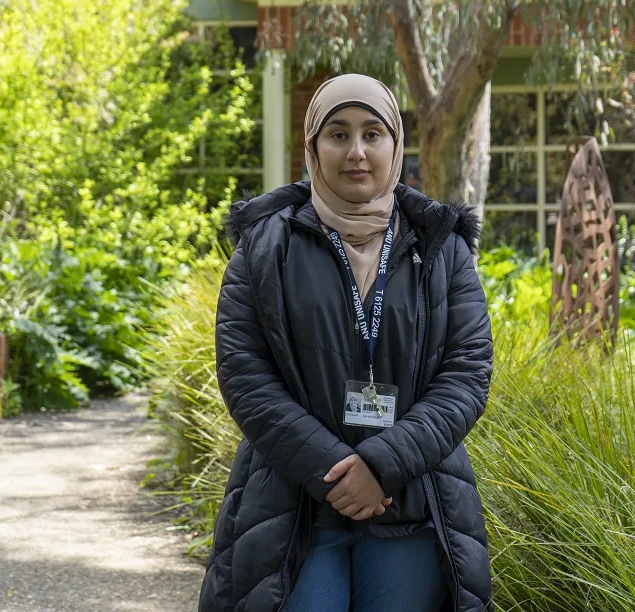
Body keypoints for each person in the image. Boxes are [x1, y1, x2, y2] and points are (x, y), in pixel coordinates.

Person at [199, 73, 493, 612]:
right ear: (312, 148)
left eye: (371, 133)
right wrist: (333, 472)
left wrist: (381, 466)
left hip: (411, 503)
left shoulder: (441, 248)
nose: (356, 151)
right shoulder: (265, 245)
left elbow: (467, 374)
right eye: (337, 134)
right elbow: (245, 374)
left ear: (395, 145)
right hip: (295, 506)